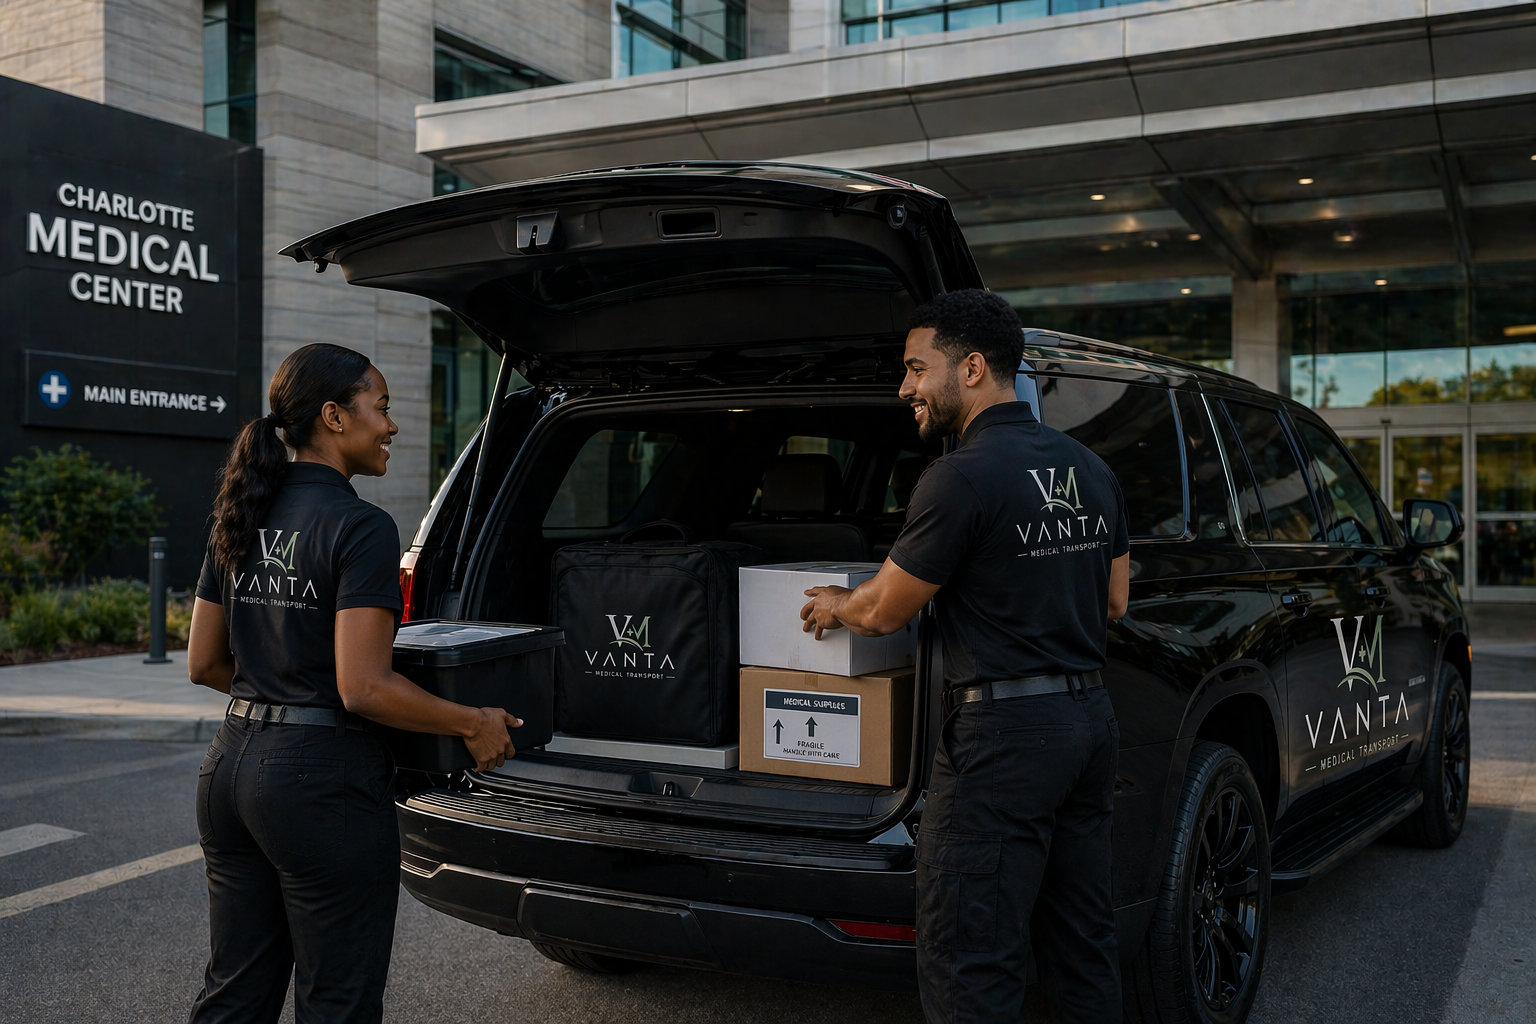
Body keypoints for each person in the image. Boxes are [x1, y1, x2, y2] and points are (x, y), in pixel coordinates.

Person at [800, 290, 1130, 1024]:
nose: (905, 388)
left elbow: (884, 610)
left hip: (1004, 742)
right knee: (1081, 941)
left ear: (972, 367)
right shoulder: (1089, 468)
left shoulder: (961, 475)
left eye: (918, 369)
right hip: (1087, 725)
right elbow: (1115, 602)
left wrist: (834, 605)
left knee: (970, 954)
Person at [186, 343, 522, 1024]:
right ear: (335, 417)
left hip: (228, 772)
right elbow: (363, 687)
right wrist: (471, 722)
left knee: (236, 994)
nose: (392, 426)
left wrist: (276, 697)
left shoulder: (242, 508)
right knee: (337, 1000)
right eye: (383, 407)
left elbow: (204, 663)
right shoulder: (360, 526)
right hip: (320, 788)